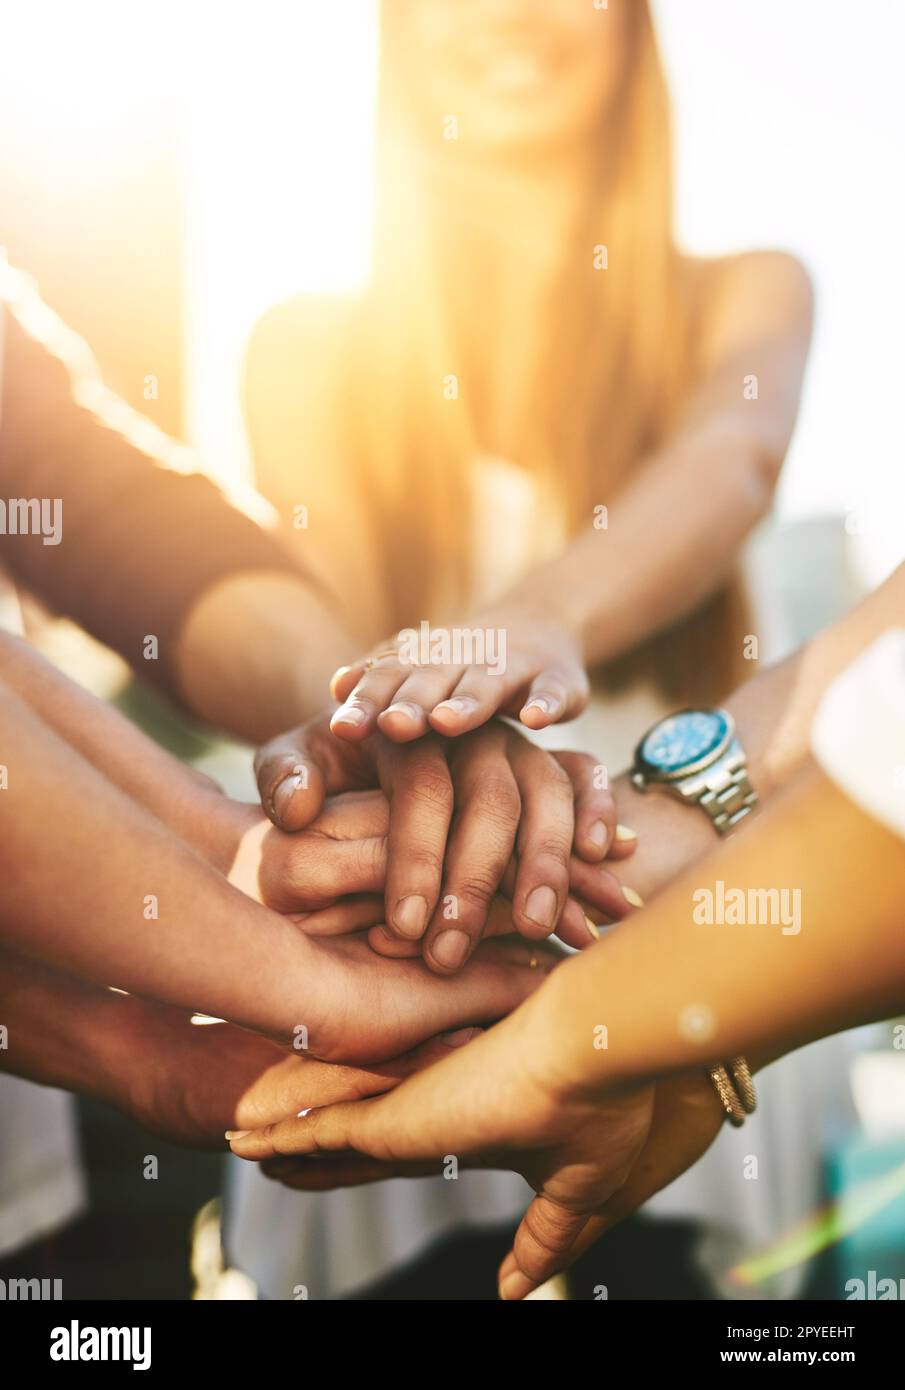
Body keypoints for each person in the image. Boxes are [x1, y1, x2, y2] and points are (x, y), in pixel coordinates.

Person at [233, 0, 813, 1300]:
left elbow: (734, 457)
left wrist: (528, 620)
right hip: (409, 970)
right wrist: (365, 738)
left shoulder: (743, 292)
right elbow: (324, 635)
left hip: (682, 983)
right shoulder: (305, 348)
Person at [229, 562, 905, 1300]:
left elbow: (735, 461)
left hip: (708, 862)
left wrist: (539, 621)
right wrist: (387, 725)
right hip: (621, 864)